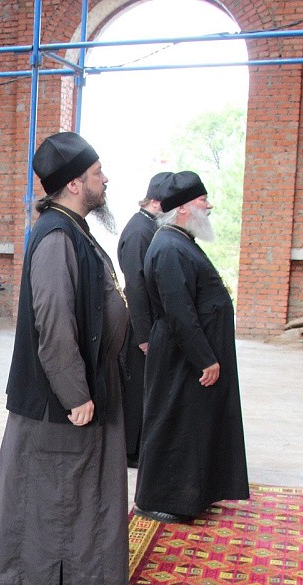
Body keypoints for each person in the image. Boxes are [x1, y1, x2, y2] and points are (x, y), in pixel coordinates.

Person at [0, 132, 130, 585]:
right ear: (74, 184)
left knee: (76, 492)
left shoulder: (73, 229)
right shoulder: (55, 237)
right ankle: (45, 584)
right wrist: (74, 392)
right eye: (97, 173)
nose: (105, 180)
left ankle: (74, 578)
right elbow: (54, 322)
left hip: (86, 384)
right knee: (58, 493)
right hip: (59, 399)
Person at [135, 170, 249, 523]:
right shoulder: (169, 247)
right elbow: (179, 312)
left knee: (192, 424)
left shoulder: (179, 240)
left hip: (187, 355)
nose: (209, 205)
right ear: (183, 207)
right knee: (174, 424)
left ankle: (193, 493)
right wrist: (205, 359)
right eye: (203, 199)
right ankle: (160, 500)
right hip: (180, 356)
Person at [116, 171, 172, 468]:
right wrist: (145, 335)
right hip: (141, 326)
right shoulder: (140, 231)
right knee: (137, 389)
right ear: (157, 202)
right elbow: (135, 285)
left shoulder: (150, 227)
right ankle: (131, 450)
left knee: (146, 388)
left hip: (148, 324)